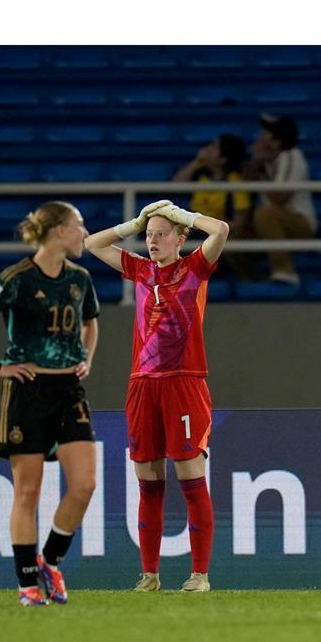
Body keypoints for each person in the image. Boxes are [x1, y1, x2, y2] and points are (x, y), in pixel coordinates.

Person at [0, 201, 100, 607]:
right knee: (27, 492)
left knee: (85, 483)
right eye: (79, 225)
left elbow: (91, 323)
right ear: (58, 231)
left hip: (69, 390)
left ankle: (50, 561)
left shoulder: (80, 279)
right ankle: (26, 585)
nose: (84, 232)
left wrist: (87, 357)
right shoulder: (16, 278)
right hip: (28, 390)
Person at [84, 199, 230, 592]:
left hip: (184, 382)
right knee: (148, 479)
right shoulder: (141, 271)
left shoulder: (195, 268)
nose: (152, 241)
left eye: (162, 234)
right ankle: (149, 574)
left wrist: (183, 215)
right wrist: (133, 223)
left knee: (189, 476)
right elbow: (92, 244)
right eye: (149, 235)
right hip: (142, 382)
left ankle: (199, 575)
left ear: (180, 238)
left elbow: (221, 231)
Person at [244, 113, 316, 285]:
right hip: (269, 225)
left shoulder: (292, 156)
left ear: (277, 141)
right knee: (229, 237)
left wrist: (261, 176)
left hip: (300, 223)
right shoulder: (267, 161)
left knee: (265, 214)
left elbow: (280, 198)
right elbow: (244, 183)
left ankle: (285, 271)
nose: (261, 137)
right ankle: (252, 282)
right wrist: (256, 162)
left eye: (266, 134)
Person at [173, 133, 258, 279]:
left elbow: (240, 222)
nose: (208, 149)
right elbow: (176, 185)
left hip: (215, 231)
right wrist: (196, 161)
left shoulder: (234, 182)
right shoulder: (201, 172)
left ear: (223, 159)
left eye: (214, 147)